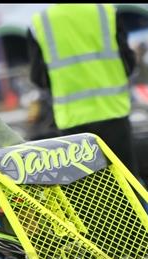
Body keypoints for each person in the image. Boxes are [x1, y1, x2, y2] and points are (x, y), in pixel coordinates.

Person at [26, 3, 140, 176]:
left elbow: (38, 77)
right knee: (128, 186)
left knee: (86, 194)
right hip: (113, 113)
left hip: (72, 122)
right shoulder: (106, 12)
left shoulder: (39, 23)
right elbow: (129, 64)